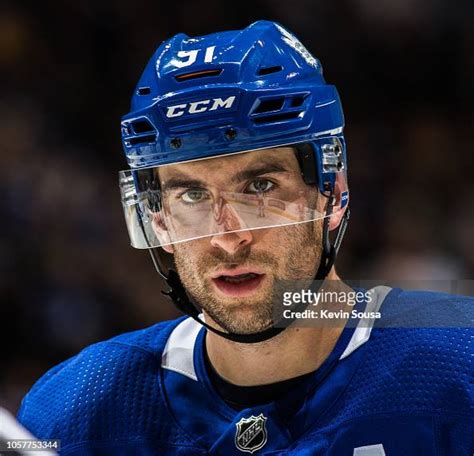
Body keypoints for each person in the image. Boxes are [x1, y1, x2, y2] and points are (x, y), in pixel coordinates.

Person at [17, 20, 473, 455]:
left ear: (331, 193)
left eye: (260, 188)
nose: (227, 239)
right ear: (158, 220)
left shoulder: (458, 361)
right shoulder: (74, 411)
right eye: (192, 195)